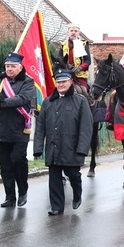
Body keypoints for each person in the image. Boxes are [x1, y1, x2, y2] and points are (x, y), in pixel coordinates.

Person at [32, 68, 93, 215]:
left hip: (71, 148)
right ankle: (56, 207)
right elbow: (40, 126)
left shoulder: (80, 101)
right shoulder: (48, 102)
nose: (61, 84)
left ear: (70, 82)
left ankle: (77, 193)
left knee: (73, 175)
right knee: (54, 179)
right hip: (53, 147)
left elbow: (86, 128)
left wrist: (82, 149)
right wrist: (38, 147)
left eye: (64, 81)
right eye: (58, 82)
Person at [0, 52, 35, 208]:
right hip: (0, 129)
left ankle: (23, 191)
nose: (9, 69)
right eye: (7, 66)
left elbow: (23, 98)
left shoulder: (27, 81)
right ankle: (10, 196)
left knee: (18, 160)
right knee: (5, 165)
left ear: (20, 67)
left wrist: (2, 102)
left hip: (19, 130)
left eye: (12, 66)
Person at [60, 22, 91, 92]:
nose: (73, 33)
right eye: (71, 31)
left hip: (80, 75)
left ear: (79, 33)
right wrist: (67, 65)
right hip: (66, 73)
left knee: (82, 90)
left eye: (75, 31)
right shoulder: (63, 44)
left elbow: (88, 61)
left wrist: (80, 68)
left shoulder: (83, 44)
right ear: (68, 32)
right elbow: (59, 59)